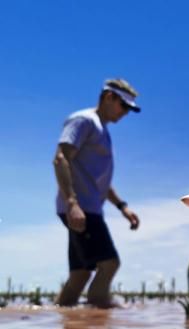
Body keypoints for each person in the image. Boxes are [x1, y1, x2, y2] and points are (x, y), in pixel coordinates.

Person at [53, 78, 141, 308]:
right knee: (109, 264)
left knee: (81, 272)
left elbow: (100, 182)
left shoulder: (102, 130)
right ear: (109, 97)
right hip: (82, 210)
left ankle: (61, 316)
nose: (125, 113)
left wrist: (123, 207)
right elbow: (61, 158)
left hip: (87, 208)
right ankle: (99, 316)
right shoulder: (85, 121)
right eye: (124, 106)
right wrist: (72, 203)